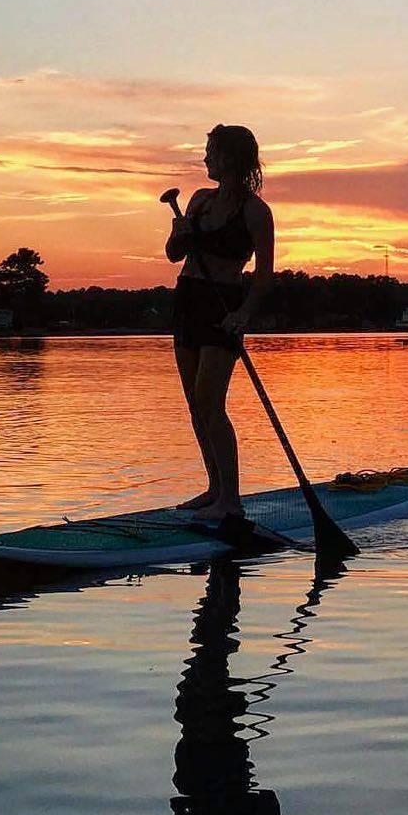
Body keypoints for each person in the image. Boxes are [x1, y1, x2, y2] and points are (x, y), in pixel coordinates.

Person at [165, 124, 274, 520]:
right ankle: (215, 489)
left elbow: (264, 276)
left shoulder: (256, 211)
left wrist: (243, 314)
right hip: (188, 301)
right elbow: (174, 254)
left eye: (211, 151)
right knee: (196, 404)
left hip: (223, 307)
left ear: (230, 158)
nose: (205, 157)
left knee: (211, 401)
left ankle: (231, 501)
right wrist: (178, 234)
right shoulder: (198, 201)